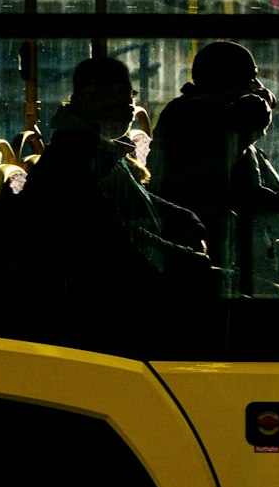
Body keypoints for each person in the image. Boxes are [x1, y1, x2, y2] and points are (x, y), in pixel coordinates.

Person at [20, 58, 216, 330]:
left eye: (125, 94)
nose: (122, 104)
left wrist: (184, 218)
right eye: (105, 94)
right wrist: (189, 262)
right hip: (99, 306)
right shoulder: (77, 156)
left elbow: (132, 199)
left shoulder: (99, 146)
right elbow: (115, 237)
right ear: (81, 101)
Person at [149, 42, 279, 297]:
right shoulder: (195, 114)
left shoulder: (191, 111)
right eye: (250, 76)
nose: (256, 84)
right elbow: (252, 116)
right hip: (211, 246)